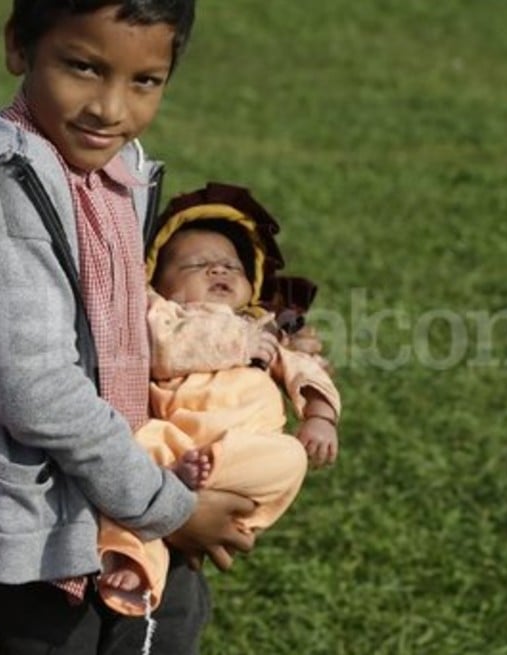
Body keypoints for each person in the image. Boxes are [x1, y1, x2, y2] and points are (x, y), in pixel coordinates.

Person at [0, 2, 257, 654]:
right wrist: (170, 508)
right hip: (45, 536)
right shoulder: (10, 185)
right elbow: (38, 390)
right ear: (19, 48)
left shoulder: (118, 169)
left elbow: (121, 323)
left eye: (145, 81)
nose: (109, 108)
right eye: (83, 67)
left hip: (127, 499)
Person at [96, 183, 342, 616]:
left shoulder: (266, 329)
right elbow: (162, 349)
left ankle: (202, 480)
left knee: (290, 457)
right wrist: (238, 343)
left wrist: (320, 416)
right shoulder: (164, 316)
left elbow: (307, 371)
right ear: (159, 283)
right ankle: (134, 560)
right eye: (196, 265)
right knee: (134, 456)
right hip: (176, 440)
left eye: (231, 266)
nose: (217, 270)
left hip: (245, 450)